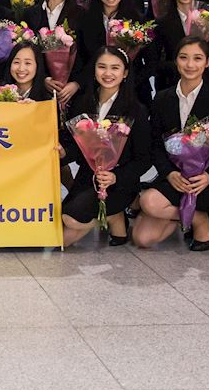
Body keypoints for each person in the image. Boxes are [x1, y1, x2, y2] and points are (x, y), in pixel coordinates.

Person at [133, 37, 209, 251]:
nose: (190, 65)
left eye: (197, 58)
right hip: (174, 177)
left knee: (150, 206)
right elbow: (155, 144)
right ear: (176, 60)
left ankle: (198, 216)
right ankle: (198, 218)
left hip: (203, 182)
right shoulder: (162, 99)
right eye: (183, 58)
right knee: (142, 237)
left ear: (207, 62)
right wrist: (169, 173)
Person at [60, 46, 151, 246]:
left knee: (70, 220)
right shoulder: (82, 103)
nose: (108, 73)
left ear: (125, 73)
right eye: (102, 67)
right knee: (59, 223)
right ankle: (114, 217)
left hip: (119, 183)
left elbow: (144, 158)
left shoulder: (136, 110)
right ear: (94, 70)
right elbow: (75, 146)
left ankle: (113, 215)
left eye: (115, 68)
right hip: (87, 178)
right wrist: (63, 152)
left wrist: (116, 176)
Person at [75, 0, 146, 102]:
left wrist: (128, 81)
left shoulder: (137, 20)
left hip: (133, 91)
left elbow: (149, 61)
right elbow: (81, 58)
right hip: (92, 89)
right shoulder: (85, 19)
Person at [24, 0, 86, 108]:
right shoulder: (30, 14)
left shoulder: (83, 15)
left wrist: (77, 83)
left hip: (73, 94)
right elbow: (26, 53)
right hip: (38, 94)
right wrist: (43, 79)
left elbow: (91, 55)